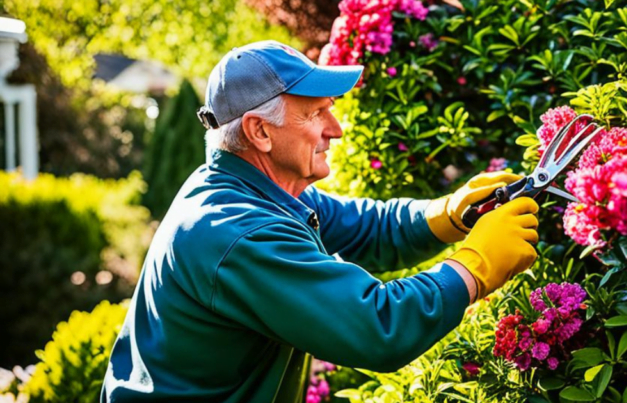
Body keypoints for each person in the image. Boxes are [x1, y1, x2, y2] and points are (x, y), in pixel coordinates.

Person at [101, 40, 539, 403]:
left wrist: (449, 212)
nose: (336, 129)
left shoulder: (254, 190)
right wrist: (476, 266)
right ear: (260, 132)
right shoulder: (239, 233)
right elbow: (375, 326)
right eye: (315, 114)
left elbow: (368, 227)